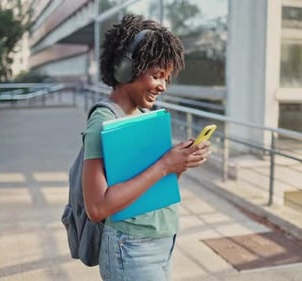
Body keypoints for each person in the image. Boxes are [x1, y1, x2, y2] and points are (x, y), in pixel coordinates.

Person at [81, 14, 211, 281]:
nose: (162, 86)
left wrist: (180, 164)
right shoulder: (103, 121)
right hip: (130, 248)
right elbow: (96, 208)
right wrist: (165, 165)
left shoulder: (143, 114)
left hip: (160, 242)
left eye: (166, 78)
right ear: (125, 68)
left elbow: (148, 184)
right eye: (156, 75)